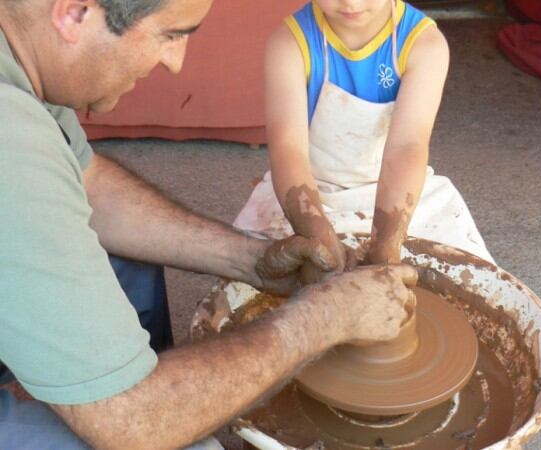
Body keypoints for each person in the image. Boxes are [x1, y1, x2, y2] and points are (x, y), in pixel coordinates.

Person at [0, 0, 418, 449]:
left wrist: (252, 259)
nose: (176, 63)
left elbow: (86, 183)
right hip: (126, 417)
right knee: (185, 442)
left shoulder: (25, 48)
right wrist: (324, 320)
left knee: (125, 259)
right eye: (171, 34)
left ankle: (128, 367)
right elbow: (133, 422)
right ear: (75, 13)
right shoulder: (11, 142)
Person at [233, 0, 494, 279]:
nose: (351, 2)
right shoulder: (289, 43)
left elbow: (407, 146)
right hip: (313, 187)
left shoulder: (424, 45)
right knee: (256, 267)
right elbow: (288, 148)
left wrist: (387, 244)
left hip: (394, 190)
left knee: (469, 269)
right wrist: (316, 234)